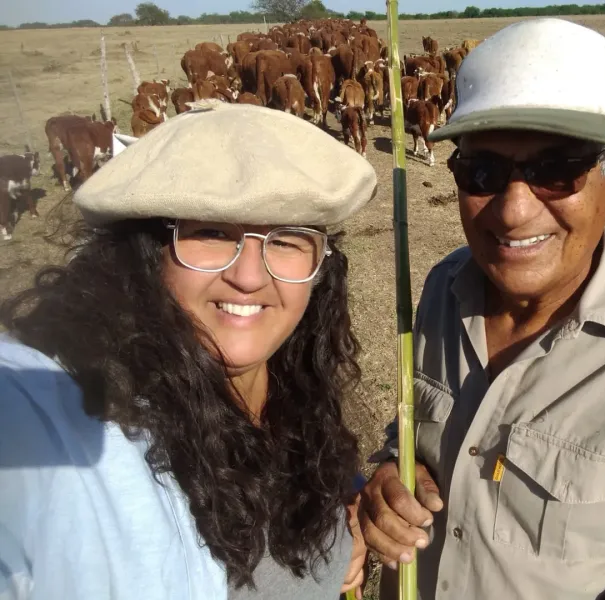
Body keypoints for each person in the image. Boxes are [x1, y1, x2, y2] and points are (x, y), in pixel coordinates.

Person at [359, 18, 605, 600]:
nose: (514, 211)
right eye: (483, 170)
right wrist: (390, 473)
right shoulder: (442, 289)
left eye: (556, 169)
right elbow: (414, 434)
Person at [0, 100, 377, 600]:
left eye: (286, 240)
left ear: (321, 268)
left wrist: (347, 505)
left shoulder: (297, 387)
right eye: (212, 233)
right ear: (148, 252)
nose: (248, 276)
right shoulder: (95, 425)